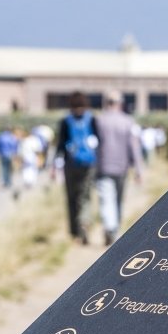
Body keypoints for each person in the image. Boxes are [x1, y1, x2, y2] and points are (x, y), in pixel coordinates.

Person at [94, 90, 143, 245]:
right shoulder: (128, 121)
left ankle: (111, 227)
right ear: (120, 103)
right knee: (118, 199)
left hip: (103, 165)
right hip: (122, 167)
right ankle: (114, 229)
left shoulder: (99, 121)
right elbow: (134, 147)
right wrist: (138, 170)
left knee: (106, 198)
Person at [56, 92, 98, 245]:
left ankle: (75, 232)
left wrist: (54, 166)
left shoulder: (66, 121)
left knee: (71, 198)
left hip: (70, 164)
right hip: (89, 163)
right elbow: (98, 141)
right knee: (85, 196)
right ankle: (85, 224)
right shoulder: (91, 119)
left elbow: (60, 145)